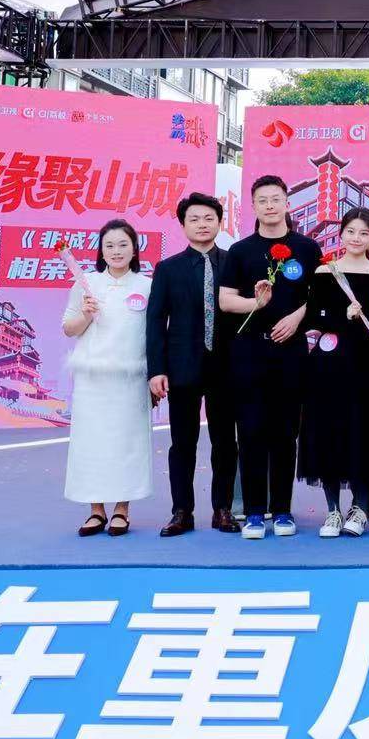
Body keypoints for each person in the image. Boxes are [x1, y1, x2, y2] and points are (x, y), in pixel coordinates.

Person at [217, 175, 324, 540]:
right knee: (250, 431)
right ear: (254, 206)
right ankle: (253, 512)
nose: (269, 205)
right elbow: (225, 300)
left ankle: (281, 510)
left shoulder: (306, 248)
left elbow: (320, 297)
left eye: (276, 198)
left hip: (291, 352)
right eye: (262, 200)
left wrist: (297, 318)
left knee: (285, 432)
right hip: (249, 351)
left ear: (287, 203)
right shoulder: (240, 251)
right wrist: (256, 303)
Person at [145, 192, 236, 537]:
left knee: (225, 442)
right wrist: (156, 369)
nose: (202, 224)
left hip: (226, 367)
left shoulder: (234, 263)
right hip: (182, 367)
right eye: (194, 219)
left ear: (220, 223)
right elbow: (156, 321)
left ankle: (223, 509)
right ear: (183, 225)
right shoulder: (168, 269)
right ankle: (181, 511)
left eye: (209, 218)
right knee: (182, 443)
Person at [61, 218, 155, 537]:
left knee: (127, 443)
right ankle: (96, 511)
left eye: (123, 244)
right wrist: (86, 313)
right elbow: (69, 329)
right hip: (92, 380)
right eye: (109, 245)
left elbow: (155, 333)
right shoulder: (86, 283)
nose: (116, 251)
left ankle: (121, 510)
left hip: (130, 379)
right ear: (101, 251)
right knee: (92, 444)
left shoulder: (146, 286)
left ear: (134, 249)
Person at [302, 210, 369, 538]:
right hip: (329, 367)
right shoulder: (325, 272)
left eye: (364, 233)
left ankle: (359, 506)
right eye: (350, 231)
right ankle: (332, 510)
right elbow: (314, 317)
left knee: (364, 433)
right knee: (329, 432)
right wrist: (343, 315)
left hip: (368, 368)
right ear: (341, 235)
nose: (356, 238)